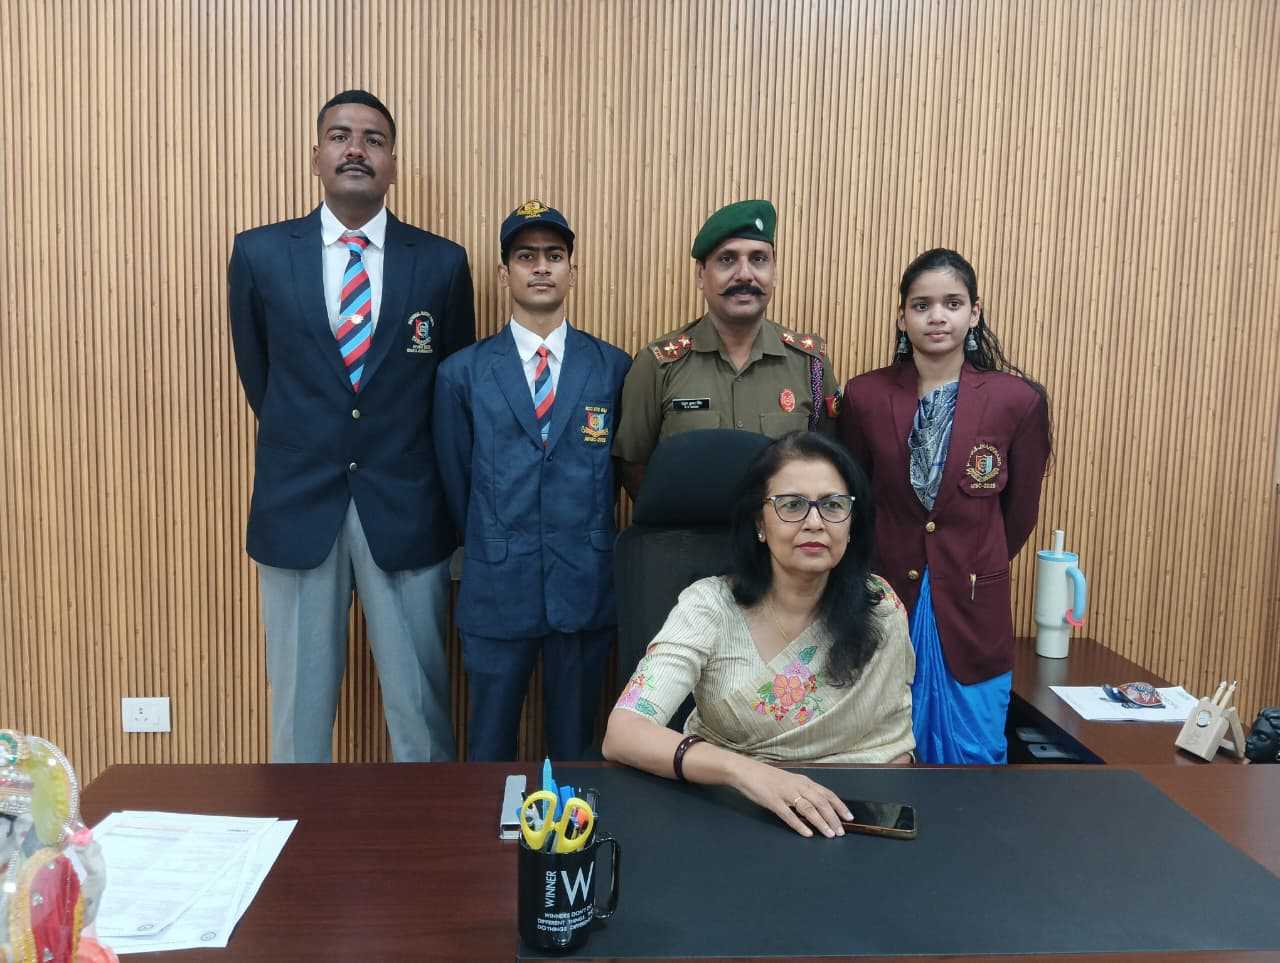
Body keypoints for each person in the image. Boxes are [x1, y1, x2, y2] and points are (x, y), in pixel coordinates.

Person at [228, 89, 475, 763]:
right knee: (298, 713)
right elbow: (262, 380)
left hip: (406, 507)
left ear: (393, 162)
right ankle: (296, 832)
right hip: (298, 504)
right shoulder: (259, 254)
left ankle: (426, 830)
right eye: (340, 136)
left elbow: (451, 389)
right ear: (316, 156)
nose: (356, 150)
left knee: (420, 710)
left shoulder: (442, 263)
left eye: (373, 139)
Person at [602, 432, 914, 838]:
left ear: (852, 523)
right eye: (792, 505)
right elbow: (623, 732)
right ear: (759, 523)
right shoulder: (710, 607)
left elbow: (893, 750)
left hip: (852, 816)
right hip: (728, 810)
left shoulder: (879, 608)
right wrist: (746, 772)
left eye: (833, 505)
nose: (815, 522)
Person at [838, 248, 1052, 765]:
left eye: (952, 304)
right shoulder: (865, 396)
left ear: (974, 313)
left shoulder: (1016, 400)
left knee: (974, 761)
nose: (937, 316)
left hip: (973, 603)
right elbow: (851, 500)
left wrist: (972, 554)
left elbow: (1019, 514)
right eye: (922, 305)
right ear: (902, 317)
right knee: (882, 753)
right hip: (887, 596)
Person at [433, 201, 630, 761]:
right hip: (497, 583)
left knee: (575, 749)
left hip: (583, 584)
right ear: (505, 274)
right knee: (489, 745)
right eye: (525, 256)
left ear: (572, 270)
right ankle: (484, 824)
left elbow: (622, 468)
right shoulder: (462, 374)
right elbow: (455, 479)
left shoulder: (612, 368)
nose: (541, 267)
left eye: (554, 255)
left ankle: (571, 825)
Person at [612, 200, 840, 500]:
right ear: (700, 274)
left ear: (774, 272)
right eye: (727, 259)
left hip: (781, 531)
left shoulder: (810, 364)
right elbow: (633, 465)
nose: (744, 274)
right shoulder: (658, 364)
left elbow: (829, 461)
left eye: (758, 259)